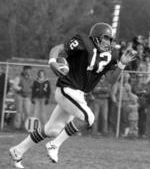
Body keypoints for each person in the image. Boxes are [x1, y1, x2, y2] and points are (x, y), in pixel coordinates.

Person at [9, 22, 136, 168]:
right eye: (105, 38)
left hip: (79, 94)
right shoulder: (83, 42)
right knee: (89, 118)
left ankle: (18, 151)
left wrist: (122, 64)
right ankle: (54, 145)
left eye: (110, 39)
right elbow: (57, 48)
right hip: (67, 88)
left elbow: (111, 79)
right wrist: (52, 62)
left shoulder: (110, 54)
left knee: (52, 129)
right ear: (95, 37)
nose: (108, 42)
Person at [13, 66, 33, 130]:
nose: (28, 72)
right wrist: (20, 89)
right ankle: (17, 126)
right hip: (19, 96)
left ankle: (26, 126)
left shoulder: (30, 79)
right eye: (27, 70)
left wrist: (31, 90)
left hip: (27, 97)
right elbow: (14, 86)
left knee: (27, 112)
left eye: (29, 70)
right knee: (19, 111)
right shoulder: (19, 77)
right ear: (24, 70)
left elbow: (32, 87)